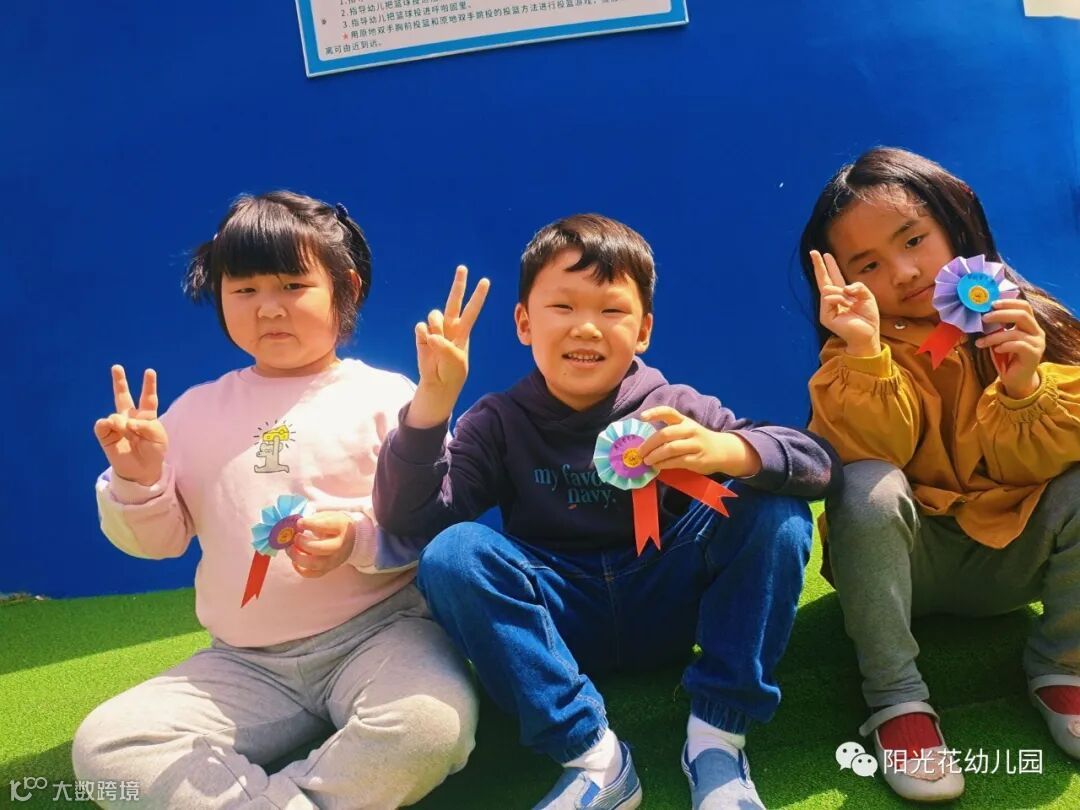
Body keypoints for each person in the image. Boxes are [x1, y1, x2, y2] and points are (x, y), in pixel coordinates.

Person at [373, 214, 841, 809]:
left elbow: (819, 464)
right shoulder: (498, 420)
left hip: (668, 600)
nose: (587, 327)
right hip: (562, 619)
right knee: (454, 552)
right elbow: (413, 521)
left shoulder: (674, 405)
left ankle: (717, 739)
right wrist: (432, 406)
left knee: (775, 511)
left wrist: (730, 450)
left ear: (643, 330)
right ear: (523, 323)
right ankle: (595, 758)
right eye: (562, 306)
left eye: (612, 310)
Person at [73, 191, 478, 809]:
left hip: (382, 638)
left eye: (293, 285)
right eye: (244, 289)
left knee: (429, 726)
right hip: (245, 664)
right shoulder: (194, 412)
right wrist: (137, 480)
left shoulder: (388, 398)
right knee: (107, 746)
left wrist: (357, 540)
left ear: (345, 287)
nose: (268, 308)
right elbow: (158, 543)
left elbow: (434, 523)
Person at [801, 147, 1080, 801]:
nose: (903, 273)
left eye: (913, 239)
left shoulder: (1031, 322)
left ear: (956, 222)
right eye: (868, 265)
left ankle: (1062, 665)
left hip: (1016, 565)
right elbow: (875, 450)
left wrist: (1025, 388)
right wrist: (865, 353)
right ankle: (896, 700)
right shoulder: (853, 353)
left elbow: (1043, 463)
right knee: (868, 486)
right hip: (908, 574)